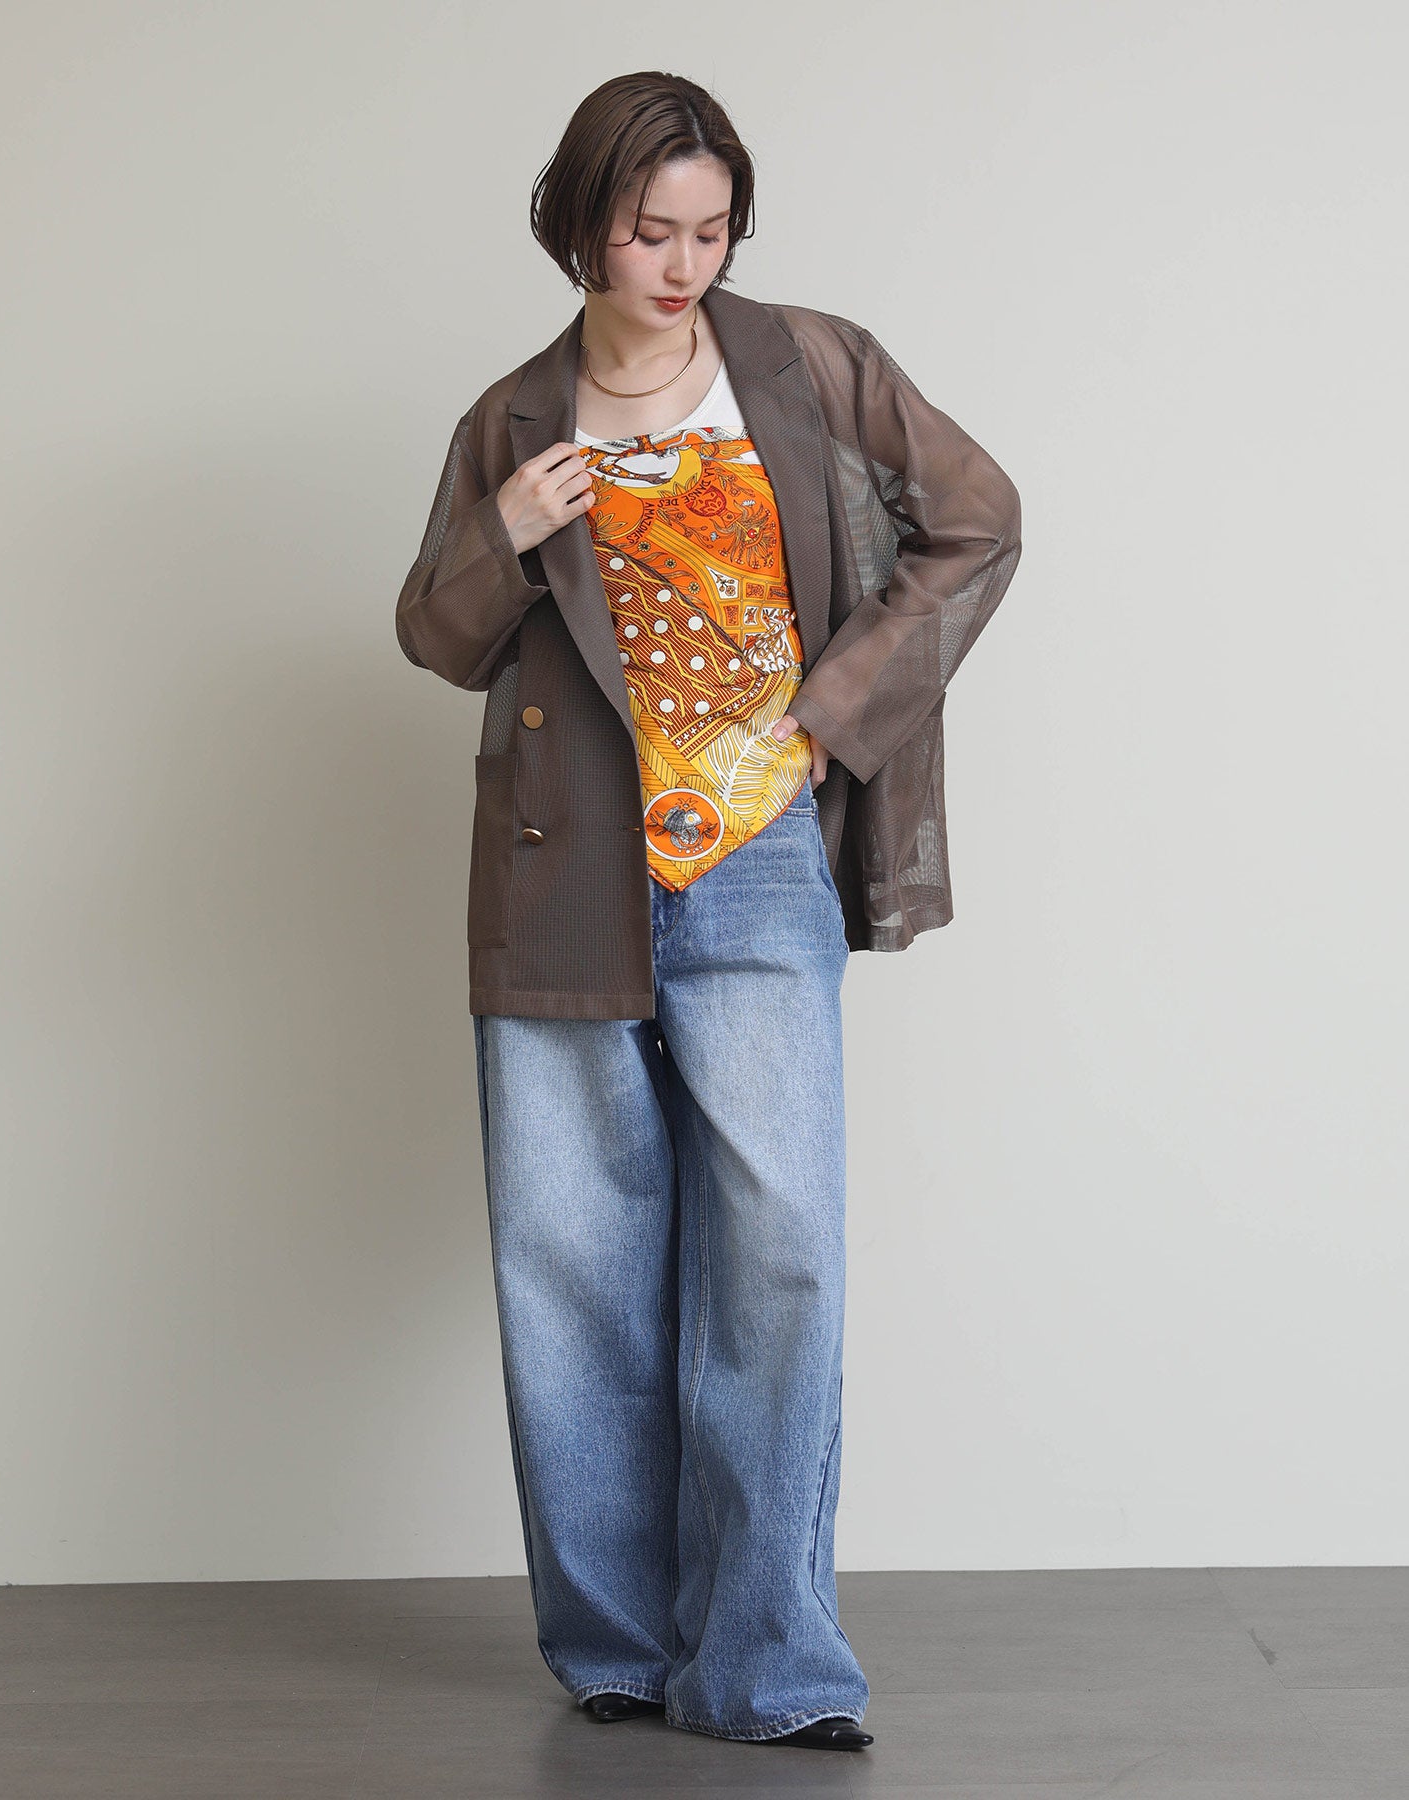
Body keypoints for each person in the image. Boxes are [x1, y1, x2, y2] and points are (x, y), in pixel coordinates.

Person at [395, 70, 1022, 1751]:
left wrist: (833, 716)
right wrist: (510, 530)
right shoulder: (512, 420)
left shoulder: (812, 366)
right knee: (574, 1267)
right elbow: (434, 636)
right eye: (648, 232)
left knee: (783, 1256)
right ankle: (615, 1646)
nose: (682, 265)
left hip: (755, 859)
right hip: (562, 873)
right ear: (579, 228)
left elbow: (980, 522)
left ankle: (768, 1665)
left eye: (710, 230)